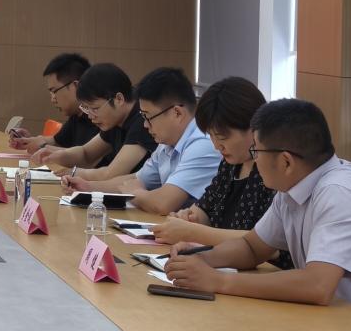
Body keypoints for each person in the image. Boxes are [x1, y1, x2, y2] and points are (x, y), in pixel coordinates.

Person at [166, 99, 351, 305]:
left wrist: (219, 281)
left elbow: (317, 285)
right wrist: (200, 258)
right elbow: (252, 248)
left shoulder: (338, 193)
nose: (254, 159)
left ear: (286, 162)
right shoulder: (291, 187)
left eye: (256, 151)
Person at [152, 78, 289, 267]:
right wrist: (187, 219)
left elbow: (266, 242)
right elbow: (205, 209)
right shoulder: (230, 164)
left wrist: (191, 232)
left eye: (222, 137)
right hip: (226, 266)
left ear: (253, 128)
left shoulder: (273, 170)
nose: (217, 146)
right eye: (211, 136)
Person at [63, 67, 220, 215]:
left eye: (148, 117)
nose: (145, 125)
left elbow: (163, 203)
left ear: (177, 113)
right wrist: (89, 187)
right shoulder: (167, 143)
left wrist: (136, 193)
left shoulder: (203, 143)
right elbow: (136, 179)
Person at [37, 63, 156, 180]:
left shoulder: (142, 120)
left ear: (119, 99)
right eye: (86, 109)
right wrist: (54, 156)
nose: (90, 116)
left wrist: (73, 173)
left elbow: (111, 174)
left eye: (94, 109)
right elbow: (86, 154)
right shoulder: (116, 117)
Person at [11, 53, 104, 158]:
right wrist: (28, 141)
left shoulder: (101, 120)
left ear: (76, 86)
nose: (53, 99)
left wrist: (42, 146)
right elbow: (57, 142)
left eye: (54, 91)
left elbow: (86, 157)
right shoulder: (76, 115)